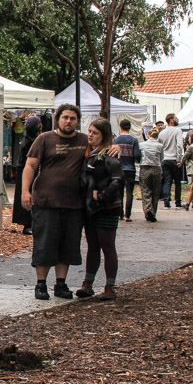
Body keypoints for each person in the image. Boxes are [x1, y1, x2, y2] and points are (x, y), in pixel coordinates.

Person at [21, 104, 118, 300]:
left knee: (67, 245)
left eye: (73, 118)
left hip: (74, 204)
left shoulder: (84, 140)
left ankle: (61, 284)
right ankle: (41, 285)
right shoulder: (44, 139)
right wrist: (25, 191)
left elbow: (104, 145)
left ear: (77, 121)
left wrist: (115, 146)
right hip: (46, 201)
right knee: (44, 244)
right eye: (65, 117)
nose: (68, 121)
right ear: (58, 119)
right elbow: (30, 165)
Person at [77, 118, 124, 300]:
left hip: (106, 208)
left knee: (107, 246)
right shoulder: (89, 154)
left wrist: (102, 196)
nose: (90, 135)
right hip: (90, 209)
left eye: (95, 132)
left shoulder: (110, 156)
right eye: (89, 131)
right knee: (93, 247)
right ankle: (88, 283)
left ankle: (109, 286)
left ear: (103, 136)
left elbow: (117, 180)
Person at [12, 115, 42, 234]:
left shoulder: (31, 138)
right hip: (26, 171)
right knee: (27, 195)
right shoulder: (30, 140)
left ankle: (30, 222)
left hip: (27, 170)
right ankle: (27, 224)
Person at [113, 119, 141, 222]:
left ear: (120, 127)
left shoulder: (116, 140)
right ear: (130, 127)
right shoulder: (134, 140)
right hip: (130, 169)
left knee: (119, 192)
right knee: (129, 192)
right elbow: (137, 155)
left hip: (118, 169)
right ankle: (127, 215)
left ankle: (120, 213)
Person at [158, 113, 185, 209]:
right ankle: (178, 202)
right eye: (176, 118)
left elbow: (160, 146)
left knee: (167, 181)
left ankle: (166, 201)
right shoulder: (177, 131)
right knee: (177, 181)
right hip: (174, 158)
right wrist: (179, 159)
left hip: (165, 159)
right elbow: (179, 145)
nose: (177, 119)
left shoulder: (162, 133)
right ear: (172, 120)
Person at [138, 128, 164, 222]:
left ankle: (147, 209)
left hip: (145, 167)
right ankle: (153, 211)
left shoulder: (141, 145)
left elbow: (139, 156)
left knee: (145, 190)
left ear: (148, 135)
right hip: (156, 168)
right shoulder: (160, 146)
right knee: (155, 191)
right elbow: (162, 158)